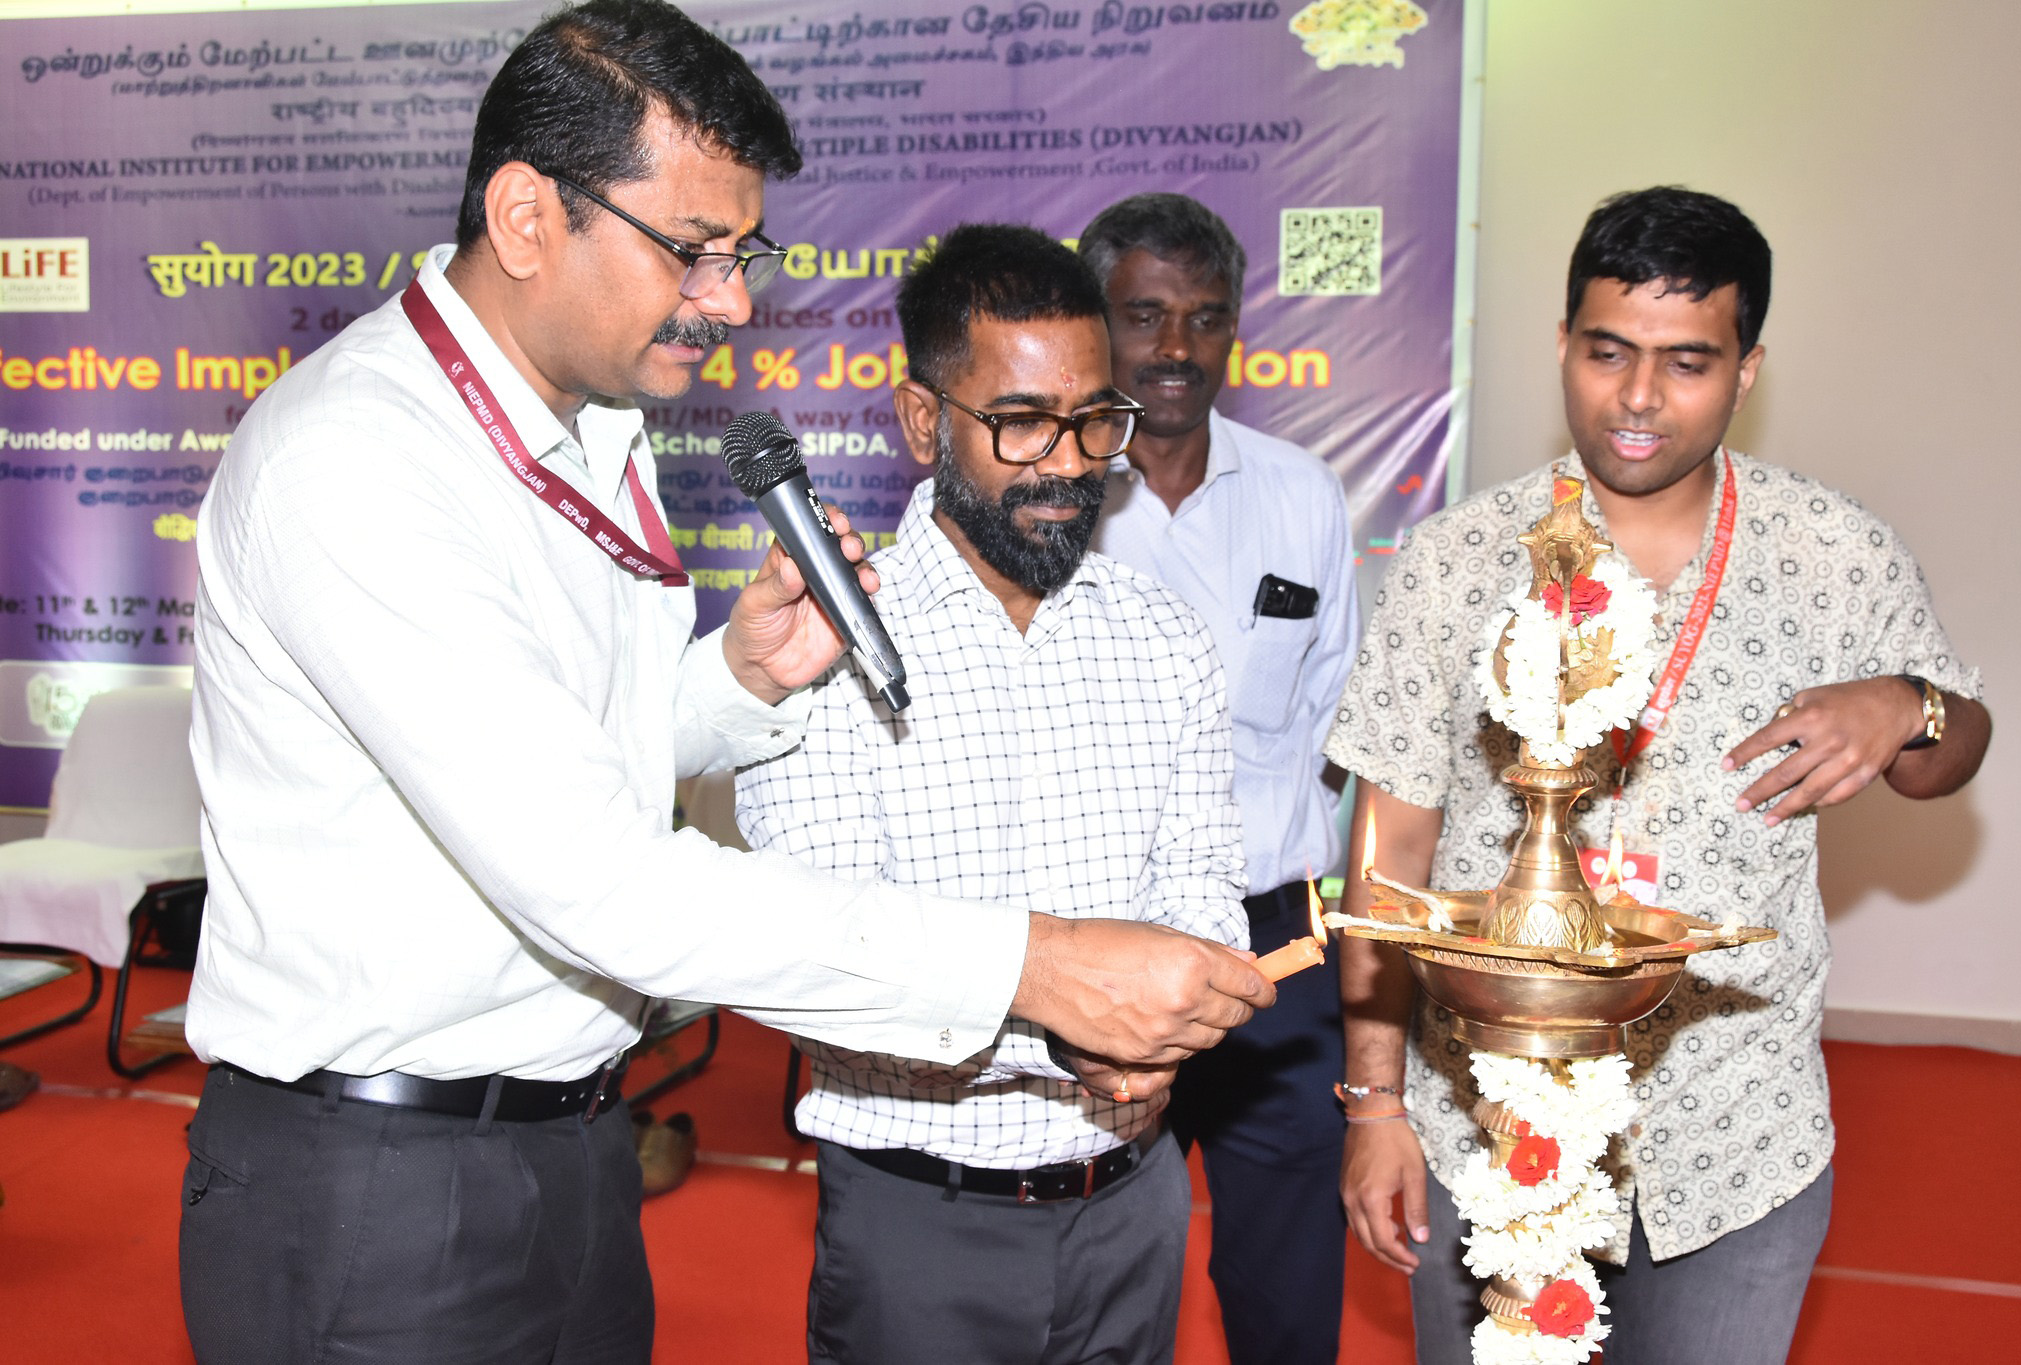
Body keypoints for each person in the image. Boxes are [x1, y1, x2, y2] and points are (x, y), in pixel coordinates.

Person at [175, 6, 1274, 1362]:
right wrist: (1033, 966)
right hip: (379, 1178)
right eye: (695, 253)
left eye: (743, 253)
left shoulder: (587, 429)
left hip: (570, 1137)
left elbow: (577, 757)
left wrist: (735, 680)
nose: (734, 300)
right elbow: (597, 879)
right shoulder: (357, 462)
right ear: (529, 218)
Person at [1325, 186, 1990, 1364]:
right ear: (1563, 347)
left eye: (1685, 362)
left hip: (1732, 1129)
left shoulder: (1828, 552)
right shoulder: (1457, 559)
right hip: (1483, 1118)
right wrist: (1374, 1106)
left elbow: (1948, 760)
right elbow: (1389, 854)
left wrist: (1907, 707)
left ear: (1744, 370)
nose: (1637, 398)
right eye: (1606, 353)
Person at [734, 223, 1250, 1365]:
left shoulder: (1160, 636)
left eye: (1093, 420)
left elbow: (1205, 877)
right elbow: (820, 952)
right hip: (922, 1219)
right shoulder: (823, 642)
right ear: (924, 420)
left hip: (1136, 1204)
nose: (1067, 462)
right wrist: (1076, 1027)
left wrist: (1164, 1024)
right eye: (1019, 423)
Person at [1079, 193, 1361, 1364]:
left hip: (1274, 951)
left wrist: (1341, 939)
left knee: (1285, 1278)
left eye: (1203, 317)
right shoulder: (1046, 499)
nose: (1176, 348)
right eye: (1144, 316)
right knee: (1090, 1265)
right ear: (1097, 326)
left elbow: (1339, 725)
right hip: (1097, 944)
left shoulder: (1301, 493)